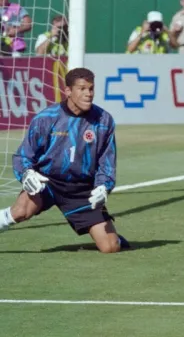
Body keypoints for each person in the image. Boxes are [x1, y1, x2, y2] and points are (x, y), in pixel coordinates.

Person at [0, 67, 126, 254]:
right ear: (68, 91)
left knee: (110, 247)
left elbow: (106, 162)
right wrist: (26, 173)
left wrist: (104, 186)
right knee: (20, 211)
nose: (88, 94)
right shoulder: (46, 118)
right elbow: (23, 156)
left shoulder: (104, 120)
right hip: (47, 182)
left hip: (81, 189)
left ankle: (111, 235)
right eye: (82, 89)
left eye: (91, 89)